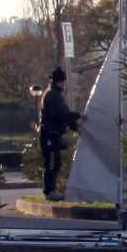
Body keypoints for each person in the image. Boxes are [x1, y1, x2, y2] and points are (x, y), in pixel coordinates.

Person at [37, 68, 80, 200]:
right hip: (50, 134)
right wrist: (76, 126)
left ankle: (51, 190)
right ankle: (49, 191)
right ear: (58, 82)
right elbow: (63, 114)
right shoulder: (53, 95)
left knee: (55, 163)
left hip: (52, 134)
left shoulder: (53, 94)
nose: (63, 84)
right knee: (51, 163)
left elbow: (63, 113)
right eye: (62, 81)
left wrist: (77, 116)